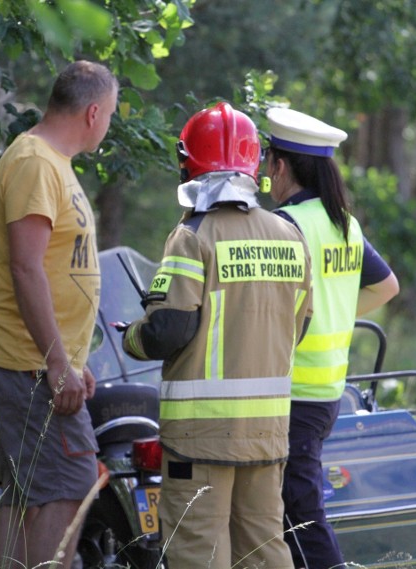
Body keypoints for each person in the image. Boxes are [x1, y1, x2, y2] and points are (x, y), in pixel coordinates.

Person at [122, 102, 314, 569]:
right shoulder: (288, 234)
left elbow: (170, 328)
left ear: (188, 162)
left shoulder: (193, 236)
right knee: (264, 549)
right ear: (252, 164)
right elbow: (300, 323)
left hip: (200, 437)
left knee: (199, 552)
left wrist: (132, 337)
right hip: (267, 434)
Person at [0, 60, 118, 569]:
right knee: (72, 483)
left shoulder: (53, 163)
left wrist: (74, 357)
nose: (108, 125)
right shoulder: (35, 162)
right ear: (93, 112)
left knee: (24, 491)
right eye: (111, 115)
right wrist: (58, 362)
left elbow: (55, 267)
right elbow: (26, 267)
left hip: (40, 360)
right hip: (28, 363)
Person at [265, 107, 400, 569]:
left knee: (300, 517)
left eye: (268, 161)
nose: (265, 172)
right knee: (287, 515)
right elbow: (387, 287)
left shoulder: (287, 226)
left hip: (290, 393)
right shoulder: (344, 224)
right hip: (325, 393)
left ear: (280, 166)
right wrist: (334, 313)